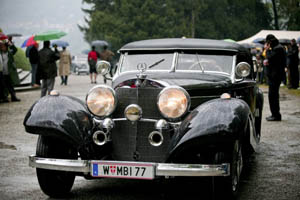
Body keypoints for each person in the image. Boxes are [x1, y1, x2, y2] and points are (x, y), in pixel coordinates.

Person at [265, 34, 286, 121]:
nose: (267, 44)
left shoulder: (278, 48)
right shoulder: (278, 47)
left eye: (267, 43)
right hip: (275, 75)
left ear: (270, 42)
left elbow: (270, 57)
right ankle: (275, 114)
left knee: (273, 96)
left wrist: (267, 50)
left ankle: (276, 115)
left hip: (275, 76)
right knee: (272, 95)